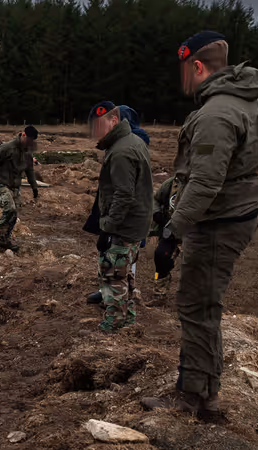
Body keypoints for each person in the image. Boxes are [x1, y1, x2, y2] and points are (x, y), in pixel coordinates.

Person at [142, 31, 258, 420]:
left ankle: (194, 398)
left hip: (219, 221)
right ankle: (204, 391)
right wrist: (167, 193)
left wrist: (172, 232)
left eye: (184, 70)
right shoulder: (243, 100)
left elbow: (207, 182)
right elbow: (207, 171)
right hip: (230, 212)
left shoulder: (217, 113)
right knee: (203, 303)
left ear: (197, 66)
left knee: (197, 305)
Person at [88, 101, 153, 331]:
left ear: (114, 121)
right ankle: (128, 319)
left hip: (123, 226)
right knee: (125, 275)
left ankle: (113, 322)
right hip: (134, 224)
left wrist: (107, 227)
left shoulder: (121, 151)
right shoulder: (132, 142)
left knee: (113, 274)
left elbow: (123, 195)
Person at [0, 125, 41, 253]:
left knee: (14, 215)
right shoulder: (7, 148)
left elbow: (29, 171)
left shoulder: (27, 152)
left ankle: (6, 238)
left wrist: (34, 188)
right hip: (1, 184)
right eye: (29, 140)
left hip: (15, 187)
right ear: (23, 135)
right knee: (10, 209)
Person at [148, 176, 182, 306]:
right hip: (171, 232)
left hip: (194, 235)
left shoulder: (202, 182)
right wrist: (157, 213)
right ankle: (159, 294)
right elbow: (156, 200)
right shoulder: (171, 184)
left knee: (195, 267)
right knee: (160, 258)